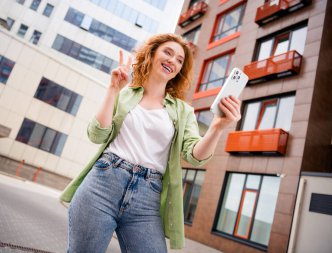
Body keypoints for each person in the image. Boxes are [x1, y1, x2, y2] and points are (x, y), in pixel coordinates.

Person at [60, 33, 241, 253]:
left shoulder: (183, 111)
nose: (173, 61)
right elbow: (97, 135)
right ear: (152, 54)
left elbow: (195, 156)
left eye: (179, 60)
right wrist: (113, 90)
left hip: (147, 197)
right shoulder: (125, 93)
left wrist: (217, 127)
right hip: (103, 183)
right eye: (168, 52)